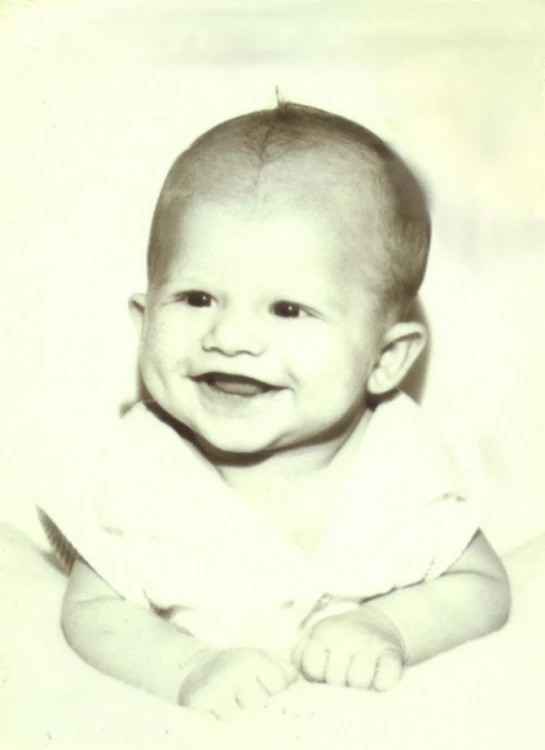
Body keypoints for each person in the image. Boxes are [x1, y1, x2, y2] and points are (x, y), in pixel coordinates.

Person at [38, 101, 510, 719]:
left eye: (287, 309)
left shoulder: (401, 465)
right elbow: (93, 610)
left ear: (386, 358)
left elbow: (483, 586)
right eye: (197, 298)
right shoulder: (146, 468)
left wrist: (390, 628)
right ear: (144, 320)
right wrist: (189, 668)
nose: (230, 336)